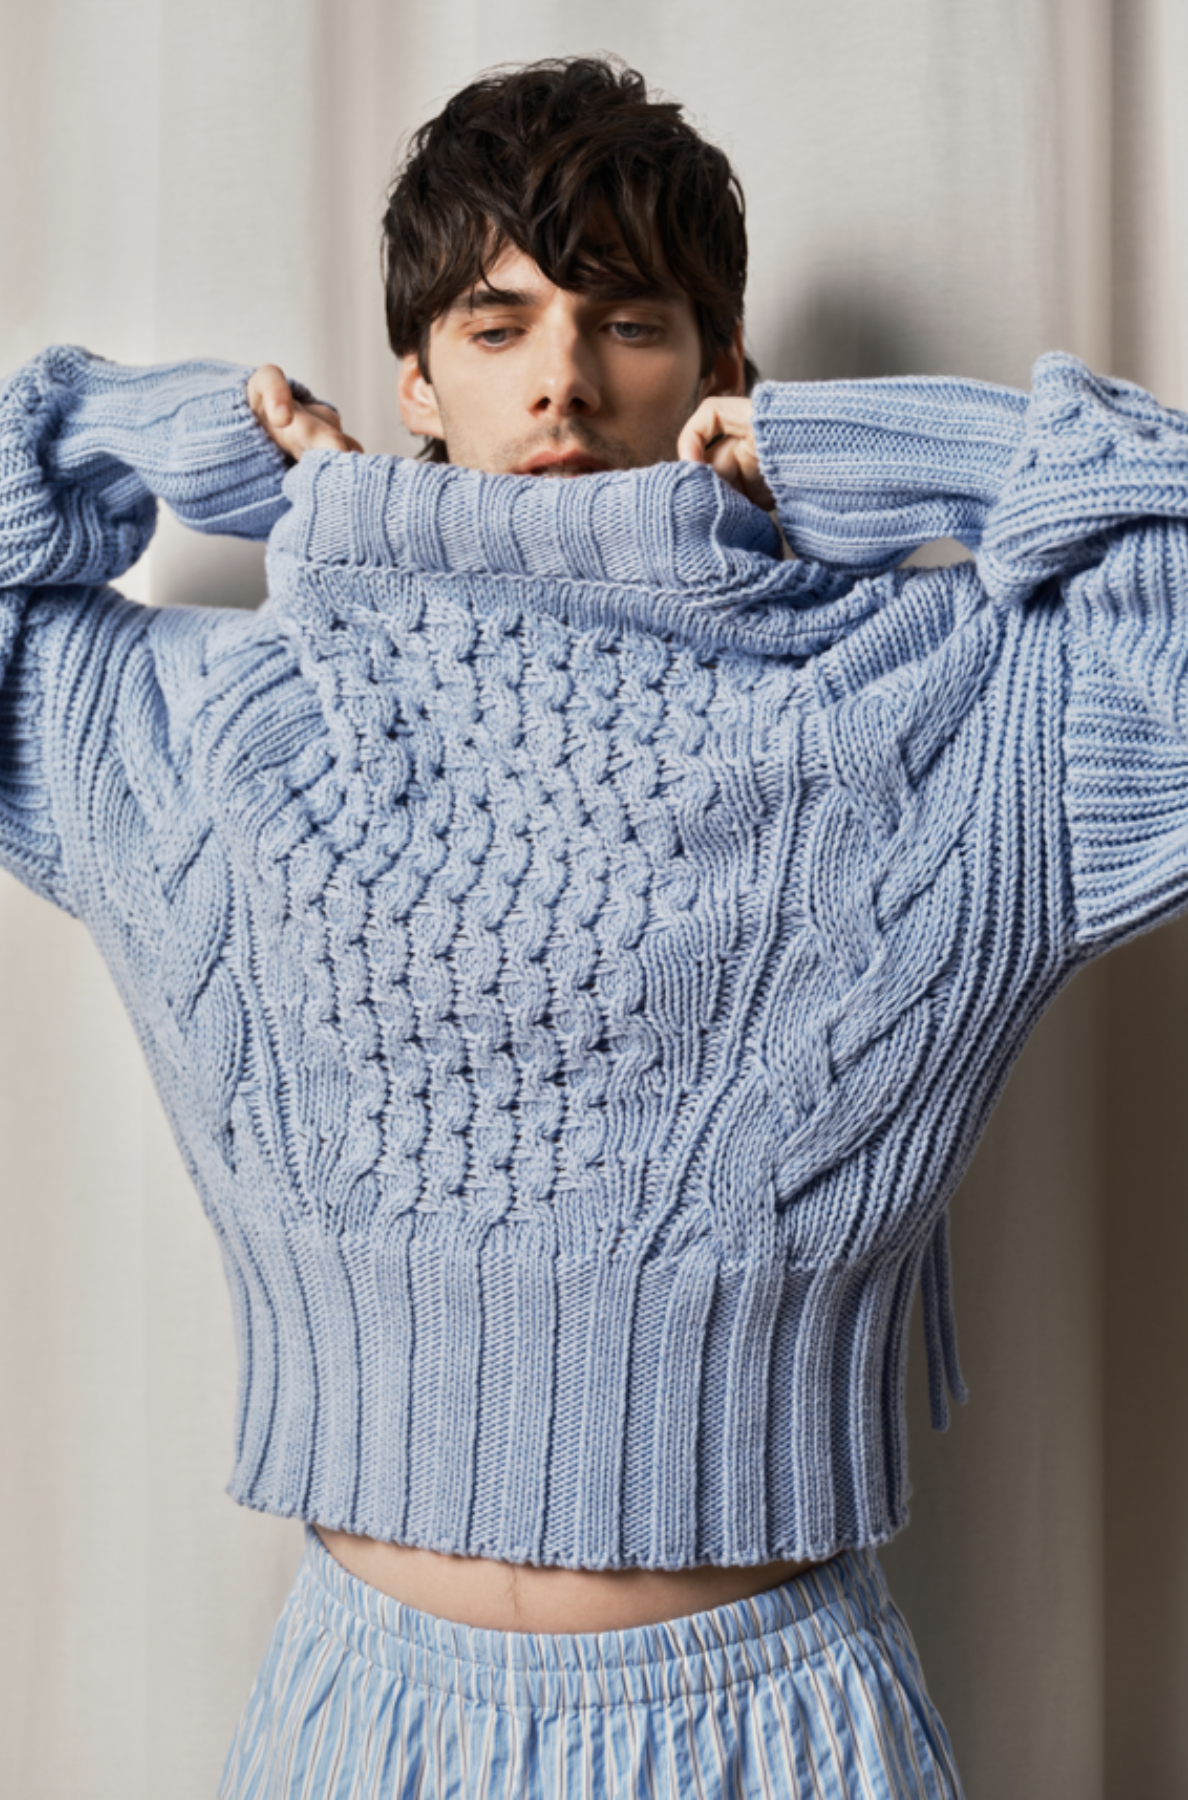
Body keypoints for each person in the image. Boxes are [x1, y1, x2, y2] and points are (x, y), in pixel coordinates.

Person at [3, 52, 1187, 1800]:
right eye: (498, 326)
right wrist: (160, 435)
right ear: (414, 379)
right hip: (362, 1721)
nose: (563, 376)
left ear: (721, 372)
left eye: (629, 323)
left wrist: (867, 451)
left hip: (770, 1727)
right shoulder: (246, 716)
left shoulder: (918, 707)